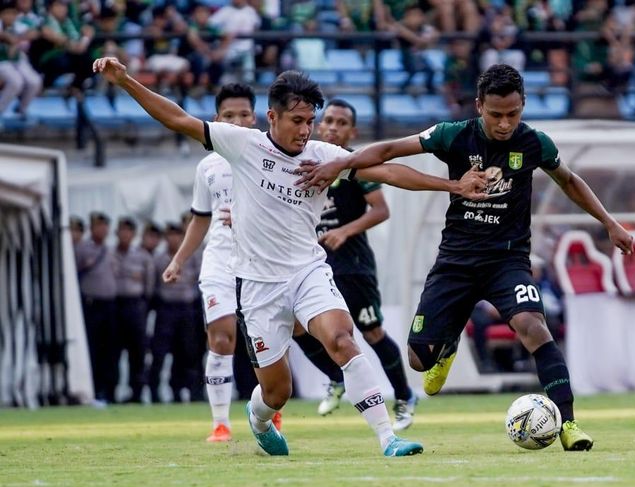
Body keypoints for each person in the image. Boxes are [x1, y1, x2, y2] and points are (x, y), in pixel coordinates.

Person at [93, 56, 487, 457]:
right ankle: (258, 417)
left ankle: (388, 438)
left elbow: (387, 172)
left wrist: (452, 185)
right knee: (277, 391)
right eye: (296, 120)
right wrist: (126, 81)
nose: (305, 130)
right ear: (271, 117)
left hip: (307, 272)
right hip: (259, 286)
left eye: (310, 121)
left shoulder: (324, 154)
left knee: (342, 339)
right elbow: (177, 119)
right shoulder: (242, 144)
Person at [296, 64, 635, 452]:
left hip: (507, 261)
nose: (505, 123)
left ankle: (569, 423)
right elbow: (390, 151)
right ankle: (447, 345)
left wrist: (609, 222)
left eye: (513, 113)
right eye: (496, 115)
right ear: (478, 106)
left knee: (533, 327)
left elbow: (570, 181)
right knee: (419, 360)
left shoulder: (535, 143)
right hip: (455, 261)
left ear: (523, 105)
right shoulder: (453, 135)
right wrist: (342, 161)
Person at [162, 83, 281, 442]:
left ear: (256, 117)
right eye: (229, 115)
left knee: (268, 341)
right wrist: (179, 259)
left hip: (263, 261)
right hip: (220, 262)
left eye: (244, 114)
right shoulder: (209, 166)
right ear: (217, 120)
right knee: (222, 337)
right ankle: (220, 423)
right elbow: (201, 217)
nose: (238, 121)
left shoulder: (272, 156)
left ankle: (272, 410)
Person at [291, 99, 417, 430]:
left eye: (341, 123)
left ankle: (404, 396)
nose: (333, 127)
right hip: (313, 264)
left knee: (370, 330)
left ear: (352, 131)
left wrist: (344, 231)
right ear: (319, 125)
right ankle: (336, 378)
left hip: (353, 265)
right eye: (328, 120)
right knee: (297, 326)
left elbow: (380, 210)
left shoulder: (356, 166)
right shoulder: (303, 161)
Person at [150, 222, 201, 403]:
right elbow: (152, 285)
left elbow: (197, 280)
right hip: (166, 309)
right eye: (170, 235)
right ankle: (154, 392)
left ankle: (187, 391)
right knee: (160, 352)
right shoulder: (159, 258)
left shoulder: (191, 257)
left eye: (177, 235)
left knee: (187, 352)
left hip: (186, 309)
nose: (173, 238)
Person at [74, 211, 118, 404]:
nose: (102, 229)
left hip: (110, 305)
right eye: (98, 226)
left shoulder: (109, 250)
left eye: (105, 226)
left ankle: (110, 390)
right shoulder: (82, 249)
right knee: (94, 349)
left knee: (110, 350)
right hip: (92, 304)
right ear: (91, 228)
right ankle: (95, 389)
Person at [113, 217, 155, 403]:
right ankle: (110, 390)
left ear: (133, 234)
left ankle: (136, 392)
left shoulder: (142, 256)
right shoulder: (110, 253)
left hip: (136, 305)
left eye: (128, 231)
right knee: (113, 350)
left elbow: (149, 284)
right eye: (122, 230)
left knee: (137, 351)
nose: (124, 234)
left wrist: (144, 304)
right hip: (115, 306)